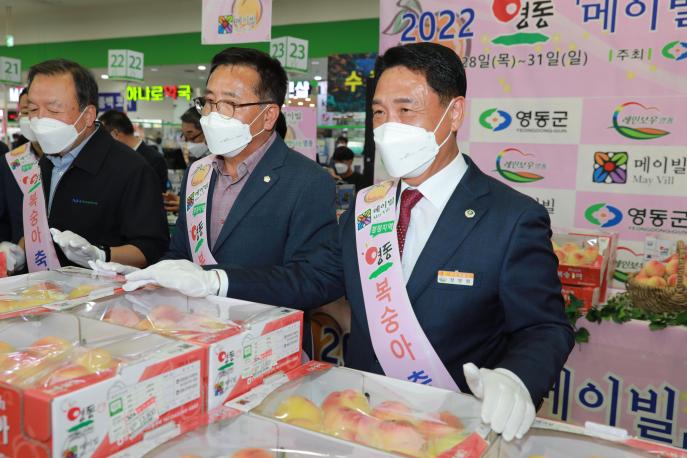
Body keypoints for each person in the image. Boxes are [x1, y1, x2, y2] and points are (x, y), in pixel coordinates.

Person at [338, 43, 574, 441]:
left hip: (454, 430)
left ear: (455, 114)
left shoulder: (511, 217)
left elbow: (544, 326)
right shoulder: (366, 208)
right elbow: (315, 278)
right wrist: (218, 282)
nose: (387, 126)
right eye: (379, 112)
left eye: (406, 110)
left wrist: (516, 378)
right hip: (363, 420)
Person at [100, 48, 342, 315]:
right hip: (196, 329)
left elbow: (317, 279)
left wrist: (218, 281)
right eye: (210, 102)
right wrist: (145, 275)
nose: (213, 115)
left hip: (267, 338)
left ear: (269, 115)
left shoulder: (307, 181)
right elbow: (180, 253)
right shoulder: (198, 173)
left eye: (230, 104)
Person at [0, 59, 169, 273]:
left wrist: (102, 254)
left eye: (53, 109)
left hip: (103, 300)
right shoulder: (42, 163)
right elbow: (43, 227)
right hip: (42, 295)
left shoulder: (130, 169)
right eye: (33, 108)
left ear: (88, 115)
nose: (40, 119)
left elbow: (151, 248)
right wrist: (21, 251)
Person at [98, 109, 169, 191]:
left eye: (104, 136)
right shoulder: (115, 157)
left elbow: (156, 195)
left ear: (115, 134)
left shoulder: (154, 160)